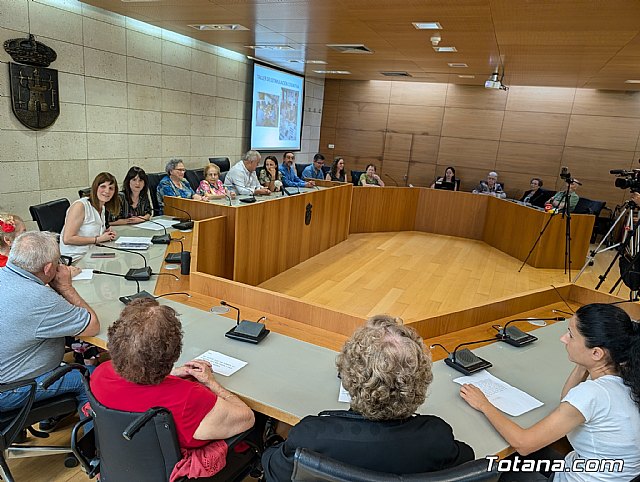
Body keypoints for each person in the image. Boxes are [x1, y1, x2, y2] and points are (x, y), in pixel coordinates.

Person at [262, 315, 474, 480]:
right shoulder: (436, 438)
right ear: (420, 381)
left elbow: (272, 467)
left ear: (347, 377)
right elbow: (468, 459)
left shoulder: (311, 436)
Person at [460, 303, 640, 482]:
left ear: (596, 353)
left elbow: (523, 444)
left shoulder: (593, 393)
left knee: (509, 469)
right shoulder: (628, 376)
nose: (563, 338)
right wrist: (585, 363)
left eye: (571, 335)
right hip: (598, 473)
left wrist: (483, 404)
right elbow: (568, 401)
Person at [91, 298, 255, 452]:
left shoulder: (101, 373)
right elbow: (247, 418)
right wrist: (212, 383)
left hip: (123, 458)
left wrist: (172, 375)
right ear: (174, 353)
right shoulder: (189, 399)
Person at [0, 231, 100, 423]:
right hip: (10, 390)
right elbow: (92, 325)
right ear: (47, 268)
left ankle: (50, 417)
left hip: (9, 376)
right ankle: (94, 450)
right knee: (93, 380)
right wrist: (65, 287)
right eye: (57, 262)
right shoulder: (39, 298)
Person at [60, 172, 120, 260]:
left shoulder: (102, 208)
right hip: (75, 258)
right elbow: (68, 239)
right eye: (103, 186)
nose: (107, 191)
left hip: (93, 254)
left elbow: (91, 232)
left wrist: (105, 234)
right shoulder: (80, 206)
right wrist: (97, 239)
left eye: (111, 188)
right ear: (95, 188)